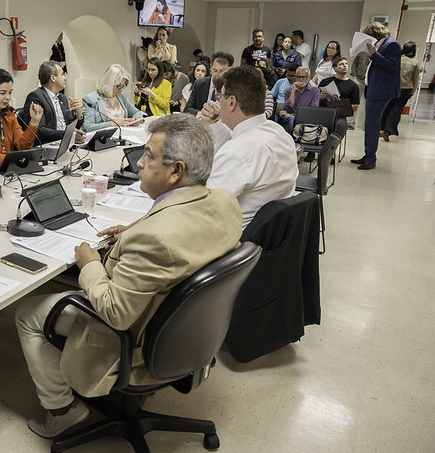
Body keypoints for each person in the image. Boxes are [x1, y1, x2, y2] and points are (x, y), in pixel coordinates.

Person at [15, 113, 242, 439]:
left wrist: (90, 263)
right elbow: (180, 227)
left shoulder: (155, 240)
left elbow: (116, 314)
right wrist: (134, 230)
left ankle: (61, 410)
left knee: (26, 312)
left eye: (149, 156)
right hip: (188, 331)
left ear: (176, 170)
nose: (139, 163)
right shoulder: (224, 200)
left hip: (136, 337)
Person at [198, 66, 298, 227]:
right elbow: (236, 140)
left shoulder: (236, 153)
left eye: (221, 96)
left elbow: (203, 209)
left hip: (232, 238)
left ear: (231, 102)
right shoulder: (280, 133)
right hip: (271, 235)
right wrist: (216, 122)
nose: (218, 101)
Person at [351, 21, 401, 170]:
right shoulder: (384, 44)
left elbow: (392, 65)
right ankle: (368, 155)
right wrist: (372, 60)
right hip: (375, 88)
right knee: (370, 124)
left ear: (375, 34)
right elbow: (384, 63)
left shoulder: (392, 44)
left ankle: (370, 159)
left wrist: (374, 54)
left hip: (381, 90)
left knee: (372, 124)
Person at [21, 60, 84, 143]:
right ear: (53, 78)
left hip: (64, 142)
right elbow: (40, 131)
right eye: (62, 75)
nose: (65, 78)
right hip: (47, 145)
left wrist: (79, 113)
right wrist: (66, 134)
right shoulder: (36, 97)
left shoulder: (62, 97)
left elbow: (70, 125)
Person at [82, 64, 145, 131]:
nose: (121, 90)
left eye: (123, 86)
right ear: (108, 83)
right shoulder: (90, 100)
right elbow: (88, 128)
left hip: (123, 135)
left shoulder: (121, 96)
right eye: (118, 86)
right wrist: (114, 123)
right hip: (103, 139)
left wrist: (136, 118)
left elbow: (137, 112)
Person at [381, 41, 420, 141]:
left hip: (393, 87)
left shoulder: (397, 59)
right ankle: (388, 130)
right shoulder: (415, 63)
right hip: (406, 89)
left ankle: (382, 128)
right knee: (397, 110)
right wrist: (412, 92)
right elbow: (415, 80)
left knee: (387, 107)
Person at [318, 57, 359, 139]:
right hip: (324, 112)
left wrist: (341, 103)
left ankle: (330, 149)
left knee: (342, 125)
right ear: (335, 68)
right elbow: (315, 99)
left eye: (346, 64)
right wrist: (320, 97)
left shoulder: (353, 86)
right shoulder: (325, 82)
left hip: (340, 115)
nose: (345, 66)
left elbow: (355, 106)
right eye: (341, 64)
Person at [279, 66, 320, 134]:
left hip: (307, 119)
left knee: (292, 118)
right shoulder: (288, 90)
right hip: (289, 119)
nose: (301, 79)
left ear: (309, 77)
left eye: (304, 77)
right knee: (291, 119)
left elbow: (312, 110)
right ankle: (291, 141)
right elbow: (288, 109)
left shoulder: (315, 91)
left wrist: (292, 114)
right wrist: (293, 91)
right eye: (298, 77)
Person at [350, 51, 369, 130]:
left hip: (369, 83)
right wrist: (354, 75)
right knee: (355, 102)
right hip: (358, 80)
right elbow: (354, 64)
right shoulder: (361, 54)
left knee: (365, 105)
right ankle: (351, 123)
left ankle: (364, 125)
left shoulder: (377, 56)